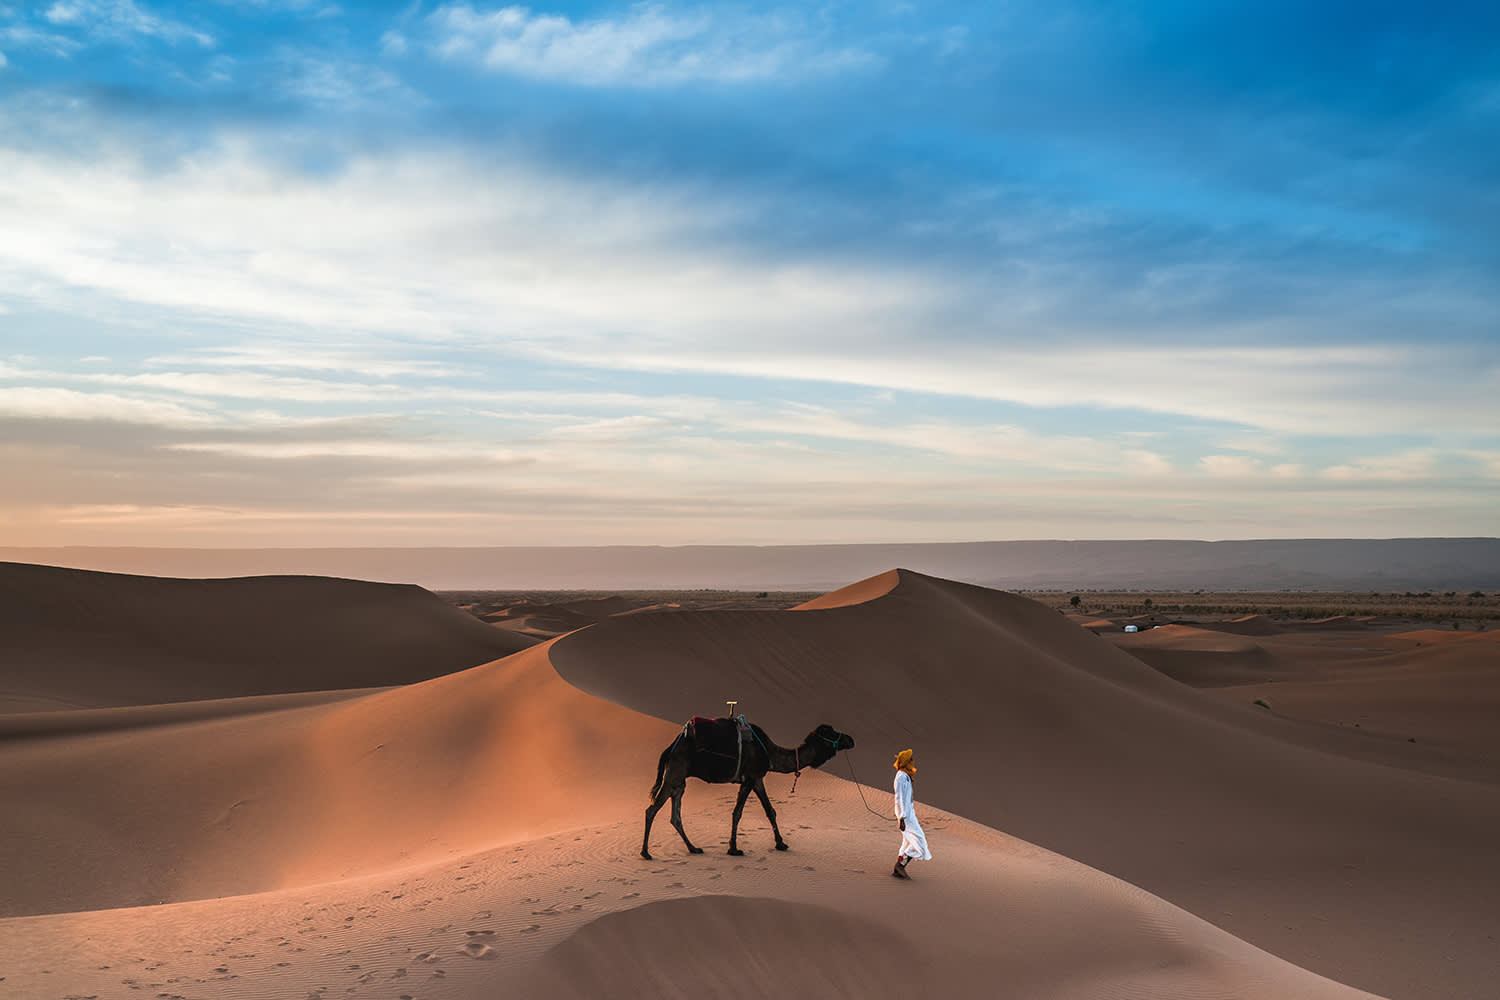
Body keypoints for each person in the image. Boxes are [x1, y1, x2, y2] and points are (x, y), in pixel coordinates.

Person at [892, 748, 931, 878]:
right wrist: (901, 817)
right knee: (919, 841)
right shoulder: (901, 777)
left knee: (908, 842)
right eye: (910, 759)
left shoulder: (905, 776)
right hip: (905, 816)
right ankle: (900, 865)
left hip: (909, 814)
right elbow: (899, 798)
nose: (913, 761)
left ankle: (898, 868)